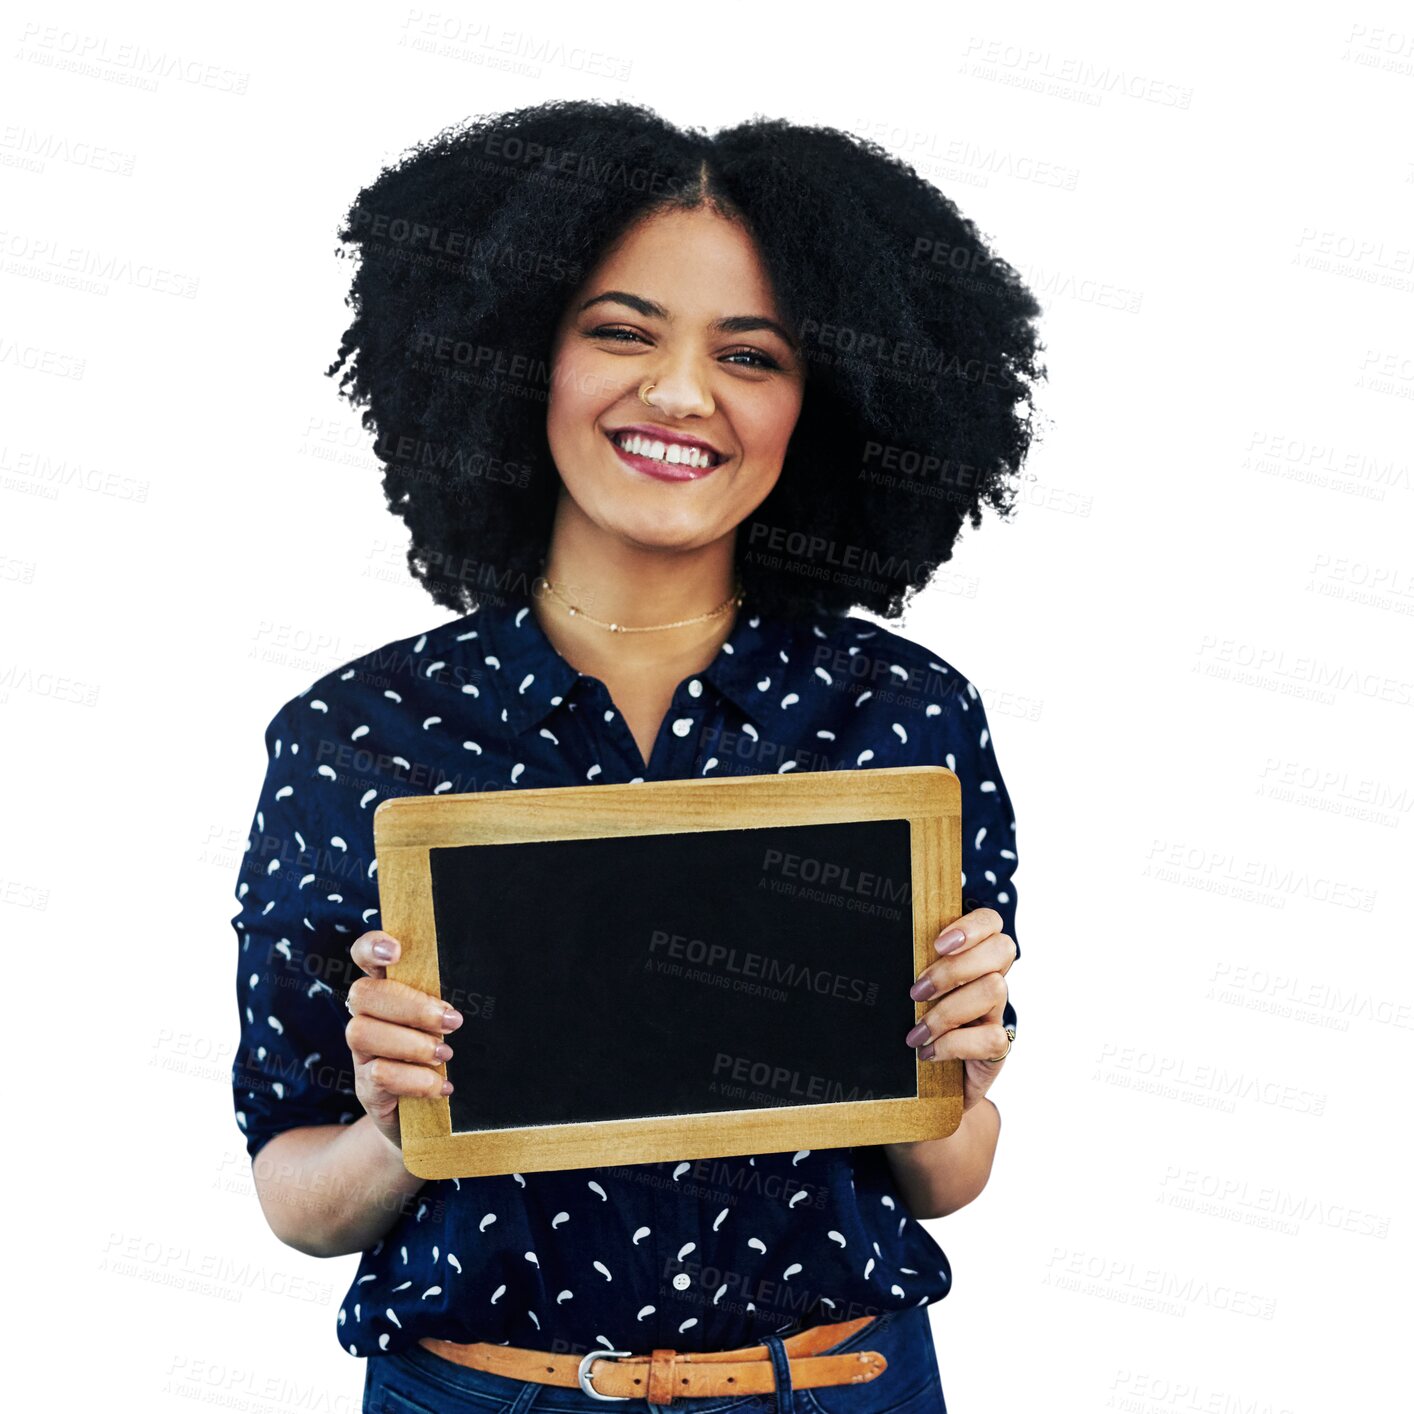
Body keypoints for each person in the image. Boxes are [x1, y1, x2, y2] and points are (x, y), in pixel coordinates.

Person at [230, 99, 1043, 1414]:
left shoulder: (904, 717)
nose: (678, 394)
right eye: (620, 330)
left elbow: (944, 1177)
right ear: (515, 354)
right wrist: (391, 1120)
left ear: (820, 401)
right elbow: (298, 1196)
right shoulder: (362, 733)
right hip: (481, 1390)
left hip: (830, 1383)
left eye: (751, 354)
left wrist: (957, 1070)